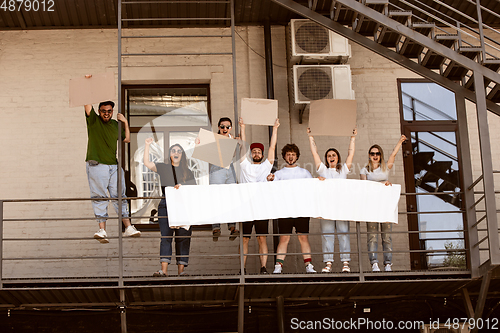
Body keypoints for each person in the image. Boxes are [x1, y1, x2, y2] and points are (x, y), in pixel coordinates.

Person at [84, 76, 141, 243]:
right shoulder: (93, 121)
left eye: (109, 111)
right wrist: (89, 84)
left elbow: (127, 139)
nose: (106, 114)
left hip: (113, 166)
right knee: (100, 196)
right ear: (99, 111)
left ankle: (128, 227)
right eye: (104, 111)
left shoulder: (115, 125)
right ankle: (102, 230)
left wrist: (125, 122)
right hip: (97, 165)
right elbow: (87, 104)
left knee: (120, 195)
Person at [144, 138, 197, 276]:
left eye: (179, 151)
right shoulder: (164, 167)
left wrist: (182, 187)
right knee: (166, 237)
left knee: (183, 238)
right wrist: (147, 145)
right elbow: (147, 163)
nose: (176, 152)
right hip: (166, 205)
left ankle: (181, 272)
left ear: (182, 155)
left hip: (183, 206)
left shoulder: (188, 171)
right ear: (170, 154)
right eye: (173, 150)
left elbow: (194, 190)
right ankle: (164, 271)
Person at [307, 127, 357, 273]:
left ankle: (345, 263)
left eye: (333, 155)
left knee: (343, 234)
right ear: (326, 158)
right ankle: (328, 263)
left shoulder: (343, 171)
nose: (331, 157)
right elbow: (314, 153)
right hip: (327, 209)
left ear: (337, 157)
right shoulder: (323, 170)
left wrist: (352, 137)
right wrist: (311, 136)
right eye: (329, 155)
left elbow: (351, 153)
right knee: (327, 235)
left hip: (341, 208)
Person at [238, 117, 280, 274]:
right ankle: (242, 268)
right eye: (254, 151)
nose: (256, 153)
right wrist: (243, 126)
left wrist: (275, 128)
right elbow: (242, 145)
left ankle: (263, 267)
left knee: (262, 238)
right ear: (251, 154)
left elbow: (272, 146)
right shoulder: (245, 165)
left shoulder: (266, 167)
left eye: (259, 152)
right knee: (244, 239)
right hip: (246, 208)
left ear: (262, 154)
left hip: (262, 207)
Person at [267, 144, 316, 274]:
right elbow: (272, 189)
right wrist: (269, 180)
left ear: (297, 156)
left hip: (301, 211)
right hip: (285, 211)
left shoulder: (304, 173)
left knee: (303, 238)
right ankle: (278, 266)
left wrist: (320, 181)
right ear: (284, 156)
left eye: (293, 154)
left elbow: (312, 189)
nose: (290, 157)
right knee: (284, 239)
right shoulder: (279, 174)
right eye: (288, 154)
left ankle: (309, 265)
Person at [360, 135, 407, 272]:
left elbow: (393, 154)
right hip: (372, 207)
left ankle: (388, 264)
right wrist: (381, 184)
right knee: (372, 236)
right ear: (369, 155)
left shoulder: (385, 168)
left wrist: (400, 141)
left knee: (386, 237)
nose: (375, 155)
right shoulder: (364, 170)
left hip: (385, 206)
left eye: (377, 153)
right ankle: (374, 263)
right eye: (372, 153)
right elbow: (365, 186)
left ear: (380, 155)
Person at [210, 117, 240, 241]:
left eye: (227, 127)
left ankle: (232, 226)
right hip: (217, 169)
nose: (225, 129)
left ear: (231, 128)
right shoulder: (213, 139)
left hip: (230, 169)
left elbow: (233, 155)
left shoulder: (232, 139)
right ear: (218, 127)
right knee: (216, 197)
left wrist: (235, 143)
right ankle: (216, 227)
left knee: (231, 197)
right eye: (222, 126)